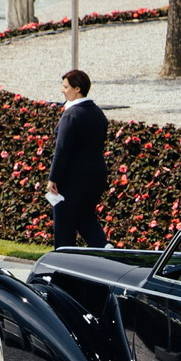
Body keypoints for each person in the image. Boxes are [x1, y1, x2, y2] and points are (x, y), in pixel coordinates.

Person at [48, 66, 110, 247]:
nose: (62, 90)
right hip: (96, 175)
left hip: (73, 178)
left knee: (64, 224)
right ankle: (105, 250)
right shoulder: (97, 113)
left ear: (78, 89)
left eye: (66, 87)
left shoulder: (71, 114)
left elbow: (62, 149)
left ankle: (63, 262)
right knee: (85, 217)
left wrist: (53, 178)